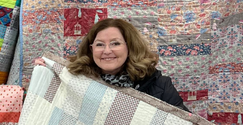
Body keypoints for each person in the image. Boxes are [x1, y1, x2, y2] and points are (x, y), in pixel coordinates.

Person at [36, 17, 185, 109]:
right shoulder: (73, 81)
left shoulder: (160, 86)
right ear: (91, 49)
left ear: (130, 46)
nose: (107, 51)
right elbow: (45, 114)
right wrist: (45, 75)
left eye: (115, 44)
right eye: (100, 44)